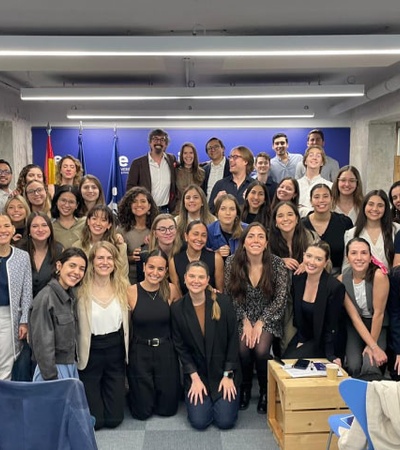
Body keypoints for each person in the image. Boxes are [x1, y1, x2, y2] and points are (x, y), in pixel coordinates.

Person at [225, 223, 288, 413]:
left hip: (268, 316)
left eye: (261, 236)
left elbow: (281, 298)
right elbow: (230, 296)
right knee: (243, 349)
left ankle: (264, 391)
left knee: (261, 350)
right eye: (251, 236)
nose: (256, 240)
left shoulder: (277, 264)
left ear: (267, 243)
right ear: (243, 243)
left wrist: (261, 322)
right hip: (240, 315)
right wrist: (244, 321)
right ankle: (244, 388)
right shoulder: (231, 262)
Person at [171, 260, 241, 430]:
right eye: (192, 276)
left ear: (208, 279)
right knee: (200, 422)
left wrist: (228, 375)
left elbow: (233, 340)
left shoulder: (223, 303)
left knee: (225, 422)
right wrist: (194, 378)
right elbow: (181, 348)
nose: (196, 281)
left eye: (201, 277)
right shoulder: (177, 309)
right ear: (185, 278)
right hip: (198, 375)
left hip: (223, 372)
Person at [77, 242, 130, 430]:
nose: (105, 262)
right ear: (92, 261)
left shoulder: (124, 286)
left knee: (115, 420)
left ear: (115, 262)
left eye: (109, 258)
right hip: (91, 352)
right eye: (100, 257)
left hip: (115, 350)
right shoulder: (80, 289)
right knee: (96, 422)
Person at [127, 249, 181, 420]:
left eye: (160, 269)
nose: (155, 273)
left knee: (168, 410)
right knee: (142, 413)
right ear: (144, 267)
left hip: (166, 350)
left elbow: (182, 318)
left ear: (166, 271)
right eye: (151, 267)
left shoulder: (171, 290)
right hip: (140, 351)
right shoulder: (131, 291)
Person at [29, 247, 88, 381]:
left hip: (70, 366)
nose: (76, 272)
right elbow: (42, 345)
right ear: (59, 266)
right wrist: (51, 379)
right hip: (52, 371)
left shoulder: (71, 296)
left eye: (81, 268)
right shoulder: (46, 298)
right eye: (72, 266)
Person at [269, 201, 319, 354]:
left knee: (298, 341)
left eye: (290, 214)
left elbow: (325, 260)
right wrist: (280, 261)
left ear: (297, 219)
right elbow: (258, 262)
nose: (286, 219)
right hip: (277, 299)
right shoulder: (268, 240)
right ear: (275, 222)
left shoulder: (309, 236)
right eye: (280, 215)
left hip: (305, 297)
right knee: (283, 343)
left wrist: (308, 263)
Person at [283, 242, 345, 364]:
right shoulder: (298, 279)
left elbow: (332, 326)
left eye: (318, 259)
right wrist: (301, 340)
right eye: (309, 256)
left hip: (325, 340)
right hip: (305, 335)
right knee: (282, 362)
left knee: (291, 362)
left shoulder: (334, 287)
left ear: (326, 262)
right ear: (303, 256)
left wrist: (330, 355)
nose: (312, 262)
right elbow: (299, 316)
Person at [338, 238, 389, 380]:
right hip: (357, 325)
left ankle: (372, 399)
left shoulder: (379, 276)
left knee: (371, 363)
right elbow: (354, 317)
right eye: (354, 253)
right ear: (347, 257)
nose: (359, 258)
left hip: (377, 324)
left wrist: (372, 346)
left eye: (364, 253)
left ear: (370, 257)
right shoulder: (342, 280)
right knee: (353, 365)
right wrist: (372, 345)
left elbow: (379, 313)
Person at [0, 214, 32, 380]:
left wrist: (24, 320)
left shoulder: (22, 257)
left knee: (6, 364)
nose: (2, 230)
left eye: (6, 226)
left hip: (8, 317)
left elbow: (27, 292)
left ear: (13, 229)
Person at [302, 184, 353, 275]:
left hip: (338, 275)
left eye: (325, 196)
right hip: (307, 274)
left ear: (332, 199)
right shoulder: (301, 225)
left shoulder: (344, 222)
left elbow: (351, 252)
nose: (321, 200)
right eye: (316, 197)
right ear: (311, 201)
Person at [344, 190, 400, 271]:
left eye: (380, 205)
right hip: (362, 281)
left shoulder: (396, 229)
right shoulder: (351, 233)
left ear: (386, 208)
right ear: (364, 206)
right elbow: (346, 266)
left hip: (390, 281)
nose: (375, 209)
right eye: (371, 204)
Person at [126, 128, 177, 213]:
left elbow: (185, 166)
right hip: (145, 210)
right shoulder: (138, 163)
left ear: (166, 144)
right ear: (150, 142)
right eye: (155, 139)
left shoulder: (171, 159)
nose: (158, 142)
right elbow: (130, 189)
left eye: (162, 139)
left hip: (165, 210)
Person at [169, 220, 224, 296]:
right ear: (186, 236)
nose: (199, 239)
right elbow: (178, 294)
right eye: (195, 234)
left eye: (203, 235)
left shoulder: (216, 259)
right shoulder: (174, 261)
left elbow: (220, 291)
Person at [73, 205, 129, 276]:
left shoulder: (120, 247)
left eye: (103, 220)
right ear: (88, 221)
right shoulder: (77, 246)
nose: (98, 223)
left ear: (109, 225)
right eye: (94, 219)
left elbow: (123, 275)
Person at [17, 212, 63, 298]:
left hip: (50, 304)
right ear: (29, 231)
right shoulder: (19, 251)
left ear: (50, 228)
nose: (40, 229)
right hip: (24, 305)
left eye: (44, 225)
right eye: (35, 226)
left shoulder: (59, 250)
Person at [118, 187, 158, 284]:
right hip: (129, 280)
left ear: (149, 206)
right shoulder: (121, 231)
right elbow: (115, 259)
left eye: (143, 201)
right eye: (135, 201)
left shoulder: (157, 229)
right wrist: (132, 258)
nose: (139, 204)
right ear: (129, 206)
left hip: (154, 279)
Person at [208, 145, 255, 214]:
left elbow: (261, 214)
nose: (230, 160)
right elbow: (209, 213)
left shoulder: (254, 186)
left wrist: (251, 203)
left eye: (235, 157)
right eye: (230, 157)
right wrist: (216, 203)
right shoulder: (220, 184)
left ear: (245, 161)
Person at [206, 194, 246, 258]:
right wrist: (216, 253)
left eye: (232, 209)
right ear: (217, 213)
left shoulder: (247, 229)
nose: (228, 213)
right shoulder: (208, 230)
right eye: (223, 209)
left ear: (236, 213)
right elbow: (203, 255)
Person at [297, 145, 333, 217]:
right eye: (311, 155)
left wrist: (303, 208)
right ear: (305, 161)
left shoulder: (330, 186)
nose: (314, 158)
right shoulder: (295, 184)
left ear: (322, 162)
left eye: (318, 156)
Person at [175, 142, 205, 213]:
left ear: (194, 155)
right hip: (179, 210)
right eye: (185, 153)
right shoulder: (175, 172)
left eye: (191, 153)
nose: (188, 155)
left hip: (197, 210)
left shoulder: (202, 172)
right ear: (181, 155)